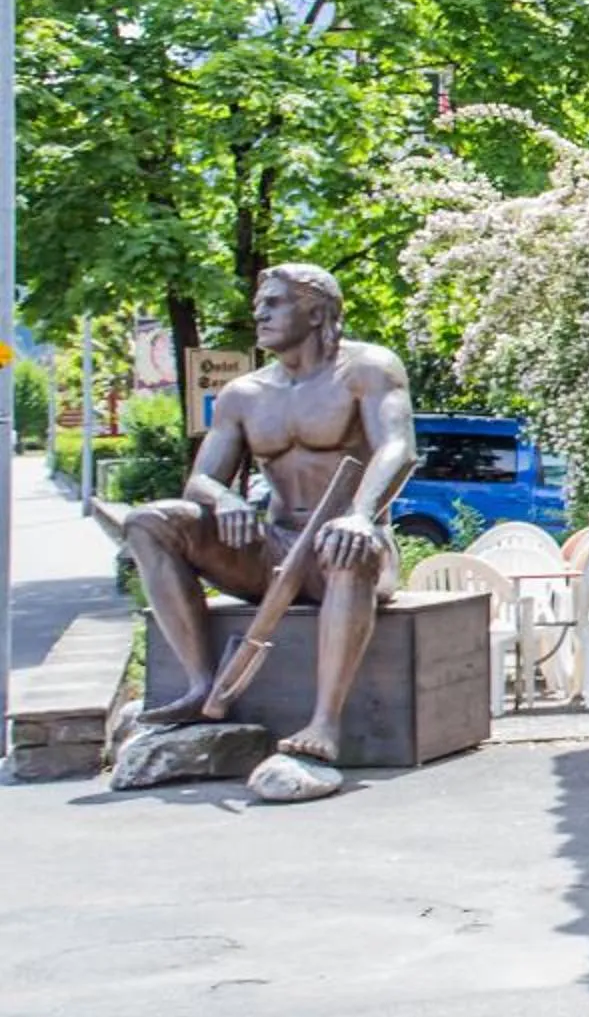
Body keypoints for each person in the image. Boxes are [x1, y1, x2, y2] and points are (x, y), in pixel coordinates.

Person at [108, 264, 417, 764]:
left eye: (274, 303)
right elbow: (200, 480)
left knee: (346, 548)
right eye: (258, 304)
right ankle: (200, 684)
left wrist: (361, 514)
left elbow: (398, 448)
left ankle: (324, 723)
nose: (259, 313)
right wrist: (224, 498)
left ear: (316, 311)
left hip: (352, 546)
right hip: (277, 547)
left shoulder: (368, 369)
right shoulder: (244, 394)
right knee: (149, 522)